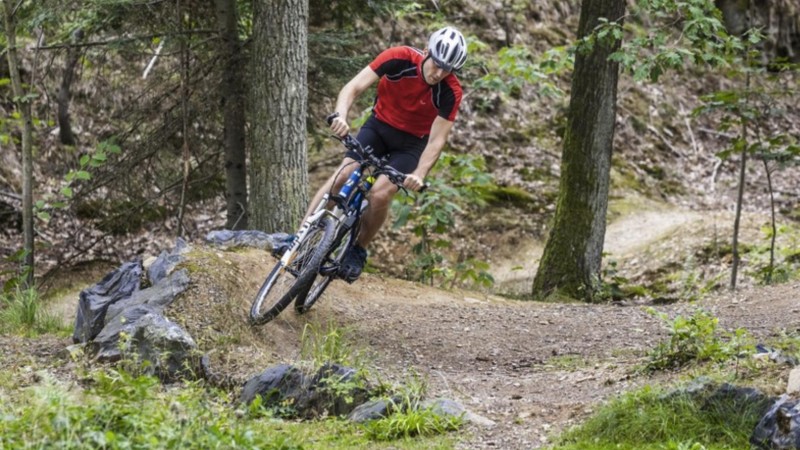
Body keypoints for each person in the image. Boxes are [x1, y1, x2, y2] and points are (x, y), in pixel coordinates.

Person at [307, 26, 468, 282]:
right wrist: (340, 115)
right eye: (437, 63)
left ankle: (358, 249)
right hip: (379, 127)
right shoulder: (399, 58)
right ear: (426, 51)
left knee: (380, 193)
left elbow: (437, 140)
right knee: (342, 175)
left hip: (411, 144)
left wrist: (419, 173)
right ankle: (299, 237)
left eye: (447, 69)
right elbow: (353, 87)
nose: (439, 72)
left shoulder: (450, 92)